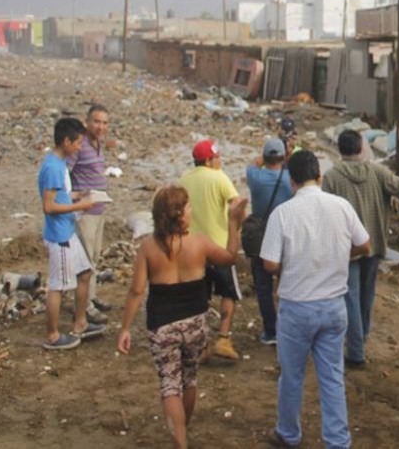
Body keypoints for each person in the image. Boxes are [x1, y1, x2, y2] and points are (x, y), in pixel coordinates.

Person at [117, 186, 248, 449]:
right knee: (189, 378)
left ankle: (180, 438)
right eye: (188, 207)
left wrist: (125, 328)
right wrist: (233, 223)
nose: (191, 211)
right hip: (194, 321)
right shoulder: (198, 243)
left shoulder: (148, 248)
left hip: (162, 324)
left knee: (169, 383)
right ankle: (182, 430)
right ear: (179, 214)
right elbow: (230, 257)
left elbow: (136, 291)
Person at [260, 150, 371, 449]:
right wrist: (339, 255)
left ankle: (288, 433)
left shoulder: (283, 213)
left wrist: (292, 261)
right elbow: (365, 244)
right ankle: (337, 441)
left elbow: (269, 264)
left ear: (292, 182)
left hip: (297, 307)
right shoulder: (341, 206)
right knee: (332, 377)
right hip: (335, 306)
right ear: (320, 177)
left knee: (292, 376)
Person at [322, 129, 399, 368]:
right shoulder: (377, 172)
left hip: (347, 249)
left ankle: (356, 352)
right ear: (361, 148)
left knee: (351, 298)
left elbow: (325, 213)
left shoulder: (331, 177)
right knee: (366, 295)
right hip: (374, 243)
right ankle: (362, 339)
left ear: (340, 150)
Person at [37, 117, 105, 350]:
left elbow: (61, 195)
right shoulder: (53, 168)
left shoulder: (59, 163)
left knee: (85, 273)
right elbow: (49, 206)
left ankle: (80, 322)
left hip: (67, 230)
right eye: (77, 143)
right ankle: (52, 335)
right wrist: (80, 206)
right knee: (57, 286)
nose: (79, 148)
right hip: (60, 236)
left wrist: (77, 195)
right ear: (66, 141)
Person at [178, 139, 241, 360]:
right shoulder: (219, 177)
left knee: (199, 297)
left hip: (193, 250)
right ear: (208, 160)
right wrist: (236, 227)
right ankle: (223, 338)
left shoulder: (184, 179)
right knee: (228, 293)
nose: (219, 161)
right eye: (217, 157)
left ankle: (200, 344)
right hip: (219, 248)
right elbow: (237, 204)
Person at [245, 137, 294, 345]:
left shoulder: (254, 176)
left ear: (265, 157)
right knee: (288, 284)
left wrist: (264, 158)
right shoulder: (290, 179)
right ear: (283, 158)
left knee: (263, 288)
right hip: (286, 234)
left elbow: (253, 163)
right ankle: (289, 328)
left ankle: (271, 330)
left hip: (261, 235)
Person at [66, 103, 111, 325]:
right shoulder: (79, 145)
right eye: (96, 121)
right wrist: (75, 198)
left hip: (99, 209)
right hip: (85, 213)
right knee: (85, 260)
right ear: (87, 122)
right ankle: (83, 307)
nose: (100, 126)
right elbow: (66, 174)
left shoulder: (98, 144)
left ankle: (90, 297)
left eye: (104, 122)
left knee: (94, 257)